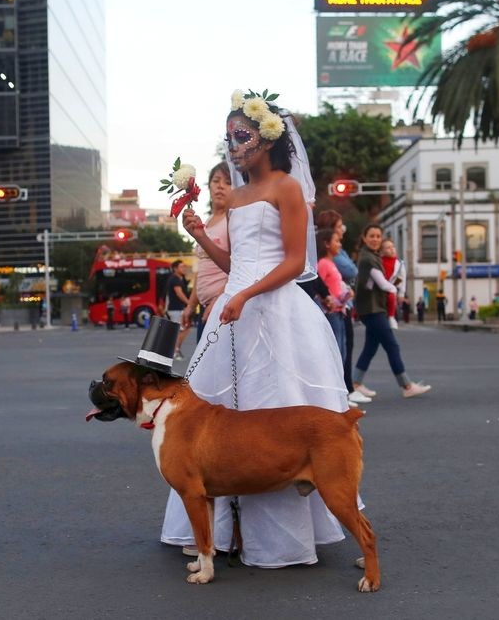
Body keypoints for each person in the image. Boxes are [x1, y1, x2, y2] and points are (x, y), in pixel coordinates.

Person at [162, 90, 354, 568]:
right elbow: (238, 264)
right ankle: (219, 534)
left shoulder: (287, 188)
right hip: (235, 308)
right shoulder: (239, 195)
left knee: (275, 415)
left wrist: (247, 294)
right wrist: (202, 237)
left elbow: (293, 262)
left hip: (275, 311)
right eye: (229, 137)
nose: (235, 145)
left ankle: (282, 541)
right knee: (217, 418)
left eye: (242, 135)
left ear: (268, 139)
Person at [351, 223, 432, 399]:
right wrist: (395, 290)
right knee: (392, 346)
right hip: (373, 309)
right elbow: (381, 283)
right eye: (371, 236)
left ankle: (355, 383)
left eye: (378, 236)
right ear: (364, 238)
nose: (375, 239)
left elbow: (374, 284)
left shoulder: (371, 256)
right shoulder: (368, 259)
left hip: (372, 308)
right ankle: (406, 385)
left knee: (371, 347)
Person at [182, 162, 232, 344]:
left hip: (223, 307)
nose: (220, 186)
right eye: (216, 180)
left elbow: (238, 267)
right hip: (205, 308)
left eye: (228, 182)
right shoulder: (207, 221)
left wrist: (218, 301)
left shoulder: (232, 220)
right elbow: (200, 271)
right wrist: (190, 305)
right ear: (208, 185)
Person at [316, 227, 364, 407]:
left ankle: (341, 392)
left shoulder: (331, 263)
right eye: (336, 241)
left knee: (342, 351)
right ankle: (335, 393)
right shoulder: (323, 263)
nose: (339, 244)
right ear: (327, 244)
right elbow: (320, 286)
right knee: (336, 351)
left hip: (340, 311)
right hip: (332, 312)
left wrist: (345, 293)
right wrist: (328, 300)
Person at [165, 260, 190, 358]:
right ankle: (174, 351)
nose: (184, 268)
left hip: (178, 308)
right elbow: (179, 293)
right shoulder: (175, 279)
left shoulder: (180, 279)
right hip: (175, 309)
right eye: (181, 267)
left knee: (184, 329)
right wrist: (189, 304)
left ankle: (176, 349)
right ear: (175, 269)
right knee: (178, 331)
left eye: (184, 266)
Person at [381, 238, 404, 330]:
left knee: (391, 296)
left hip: (393, 288)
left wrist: (401, 293)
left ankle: (391, 317)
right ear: (382, 251)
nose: (392, 249)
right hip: (381, 288)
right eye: (388, 248)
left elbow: (403, 278)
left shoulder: (399, 263)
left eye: (393, 247)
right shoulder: (380, 261)